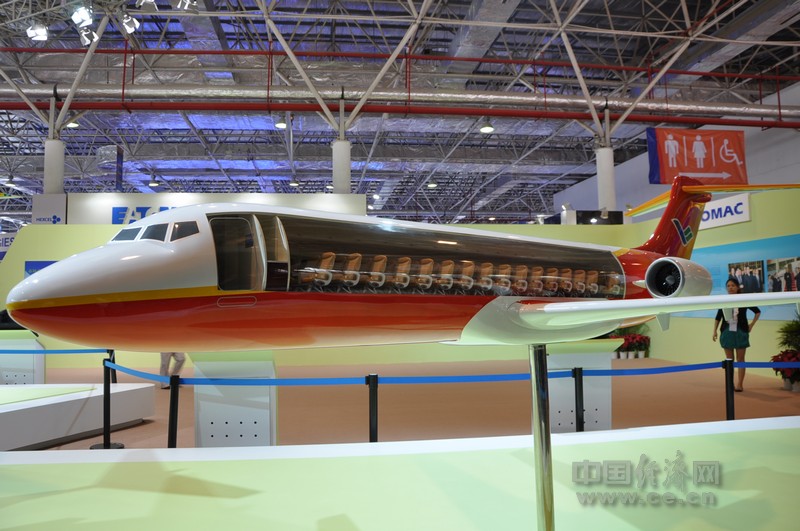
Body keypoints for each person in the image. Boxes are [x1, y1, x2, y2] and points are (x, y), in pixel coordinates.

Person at [712, 278, 760, 392]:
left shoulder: (744, 299)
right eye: (728, 286)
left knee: (741, 359)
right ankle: (730, 383)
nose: (730, 288)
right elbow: (718, 317)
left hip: (741, 331)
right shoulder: (724, 301)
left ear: (738, 287)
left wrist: (751, 325)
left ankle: (740, 384)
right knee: (729, 360)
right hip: (727, 332)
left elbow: (757, 311)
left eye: (733, 285)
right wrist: (714, 331)